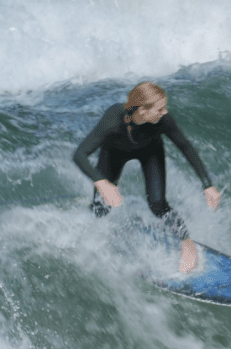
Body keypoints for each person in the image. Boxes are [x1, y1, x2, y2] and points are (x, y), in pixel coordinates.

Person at [73, 82, 221, 273]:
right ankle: (104, 236)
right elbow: (80, 154)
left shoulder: (163, 121)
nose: (164, 112)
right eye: (159, 108)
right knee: (101, 207)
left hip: (150, 152)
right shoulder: (114, 118)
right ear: (143, 109)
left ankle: (187, 244)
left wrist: (207, 185)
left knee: (158, 204)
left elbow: (185, 147)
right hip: (113, 153)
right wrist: (102, 183)